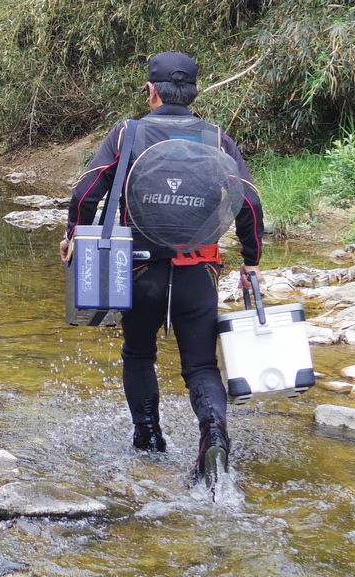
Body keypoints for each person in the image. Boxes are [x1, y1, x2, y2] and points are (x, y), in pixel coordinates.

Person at [60, 51, 264, 484]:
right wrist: (250, 263)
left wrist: (73, 234)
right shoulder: (215, 139)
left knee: (138, 353)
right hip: (199, 272)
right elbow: (249, 203)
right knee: (202, 365)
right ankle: (213, 439)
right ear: (193, 92)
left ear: (150, 90)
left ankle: (148, 439)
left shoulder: (127, 133)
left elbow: (86, 192)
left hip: (138, 269)